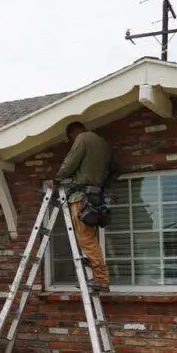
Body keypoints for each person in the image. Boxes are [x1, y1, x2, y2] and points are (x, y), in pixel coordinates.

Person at [46, 121, 120, 293]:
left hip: (82, 198)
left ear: (73, 134)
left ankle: (101, 280)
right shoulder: (103, 143)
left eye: (71, 139)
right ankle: (92, 263)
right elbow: (116, 169)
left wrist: (56, 180)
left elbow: (70, 162)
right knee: (89, 237)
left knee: (86, 238)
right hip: (95, 197)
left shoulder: (82, 138)